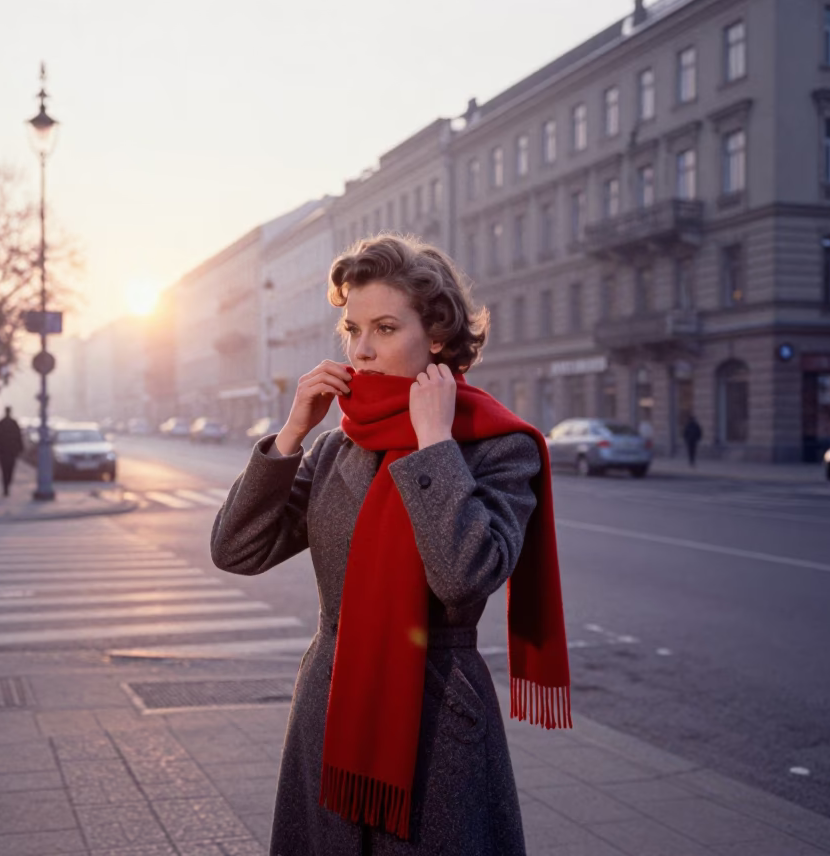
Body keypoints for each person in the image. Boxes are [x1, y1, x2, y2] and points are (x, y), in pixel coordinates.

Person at [211, 235, 570, 854]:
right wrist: (292, 433)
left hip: (438, 724)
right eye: (351, 329)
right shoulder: (336, 446)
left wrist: (435, 449)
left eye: (384, 327)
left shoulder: (497, 446)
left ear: (435, 335)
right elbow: (237, 550)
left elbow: (464, 575)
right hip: (331, 710)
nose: (363, 350)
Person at [0, 407, 24, 497]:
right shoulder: (14, 423)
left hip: (2, 451)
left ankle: (5, 485)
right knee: (10, 469)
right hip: (11, 451)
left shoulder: (0, 423)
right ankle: (7, 484)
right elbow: (19, 437)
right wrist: (20, 449)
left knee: (4, 469)